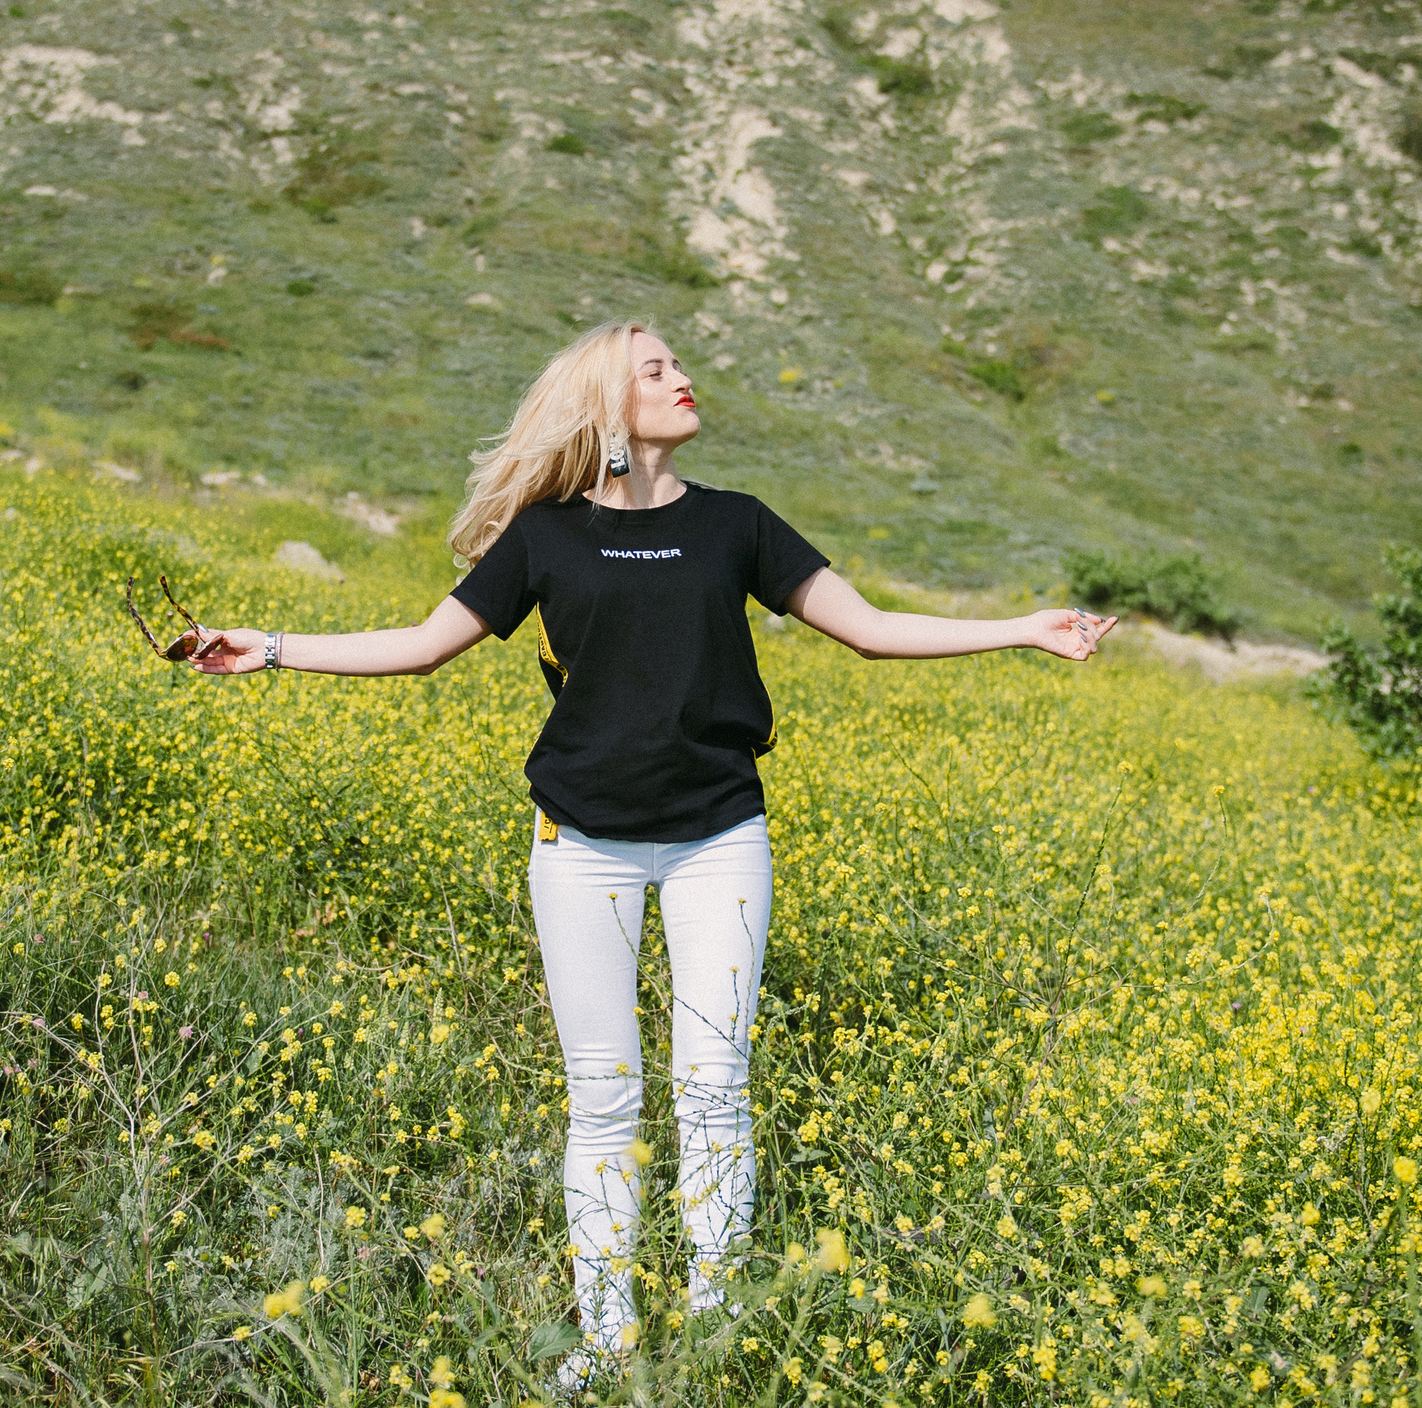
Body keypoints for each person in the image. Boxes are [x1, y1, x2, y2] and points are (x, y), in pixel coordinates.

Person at [177, 319, 1115, 1376]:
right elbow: (420, 647)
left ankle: (716, 1335)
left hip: (721, 839)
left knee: (714, 1086)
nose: (685, 381)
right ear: (605, 408)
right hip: (581, 846)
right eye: (657, 370)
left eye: (679, 365)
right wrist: (268, 649)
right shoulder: (543, 537)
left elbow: (869, 627)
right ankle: (604, 1342)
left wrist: (1020, 628)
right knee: (605, 1095)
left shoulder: (738, 526)